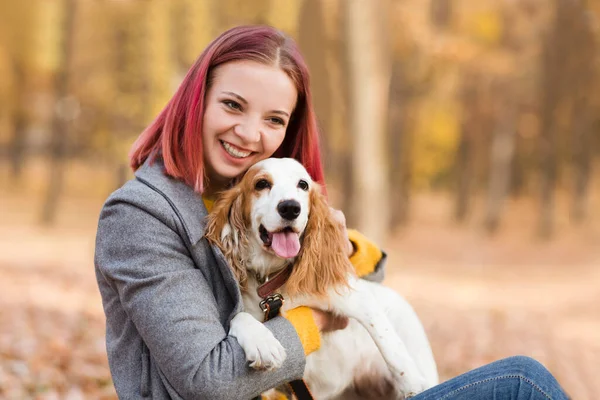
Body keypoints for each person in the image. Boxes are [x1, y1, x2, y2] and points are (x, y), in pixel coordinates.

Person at [95, 25, 569, 400]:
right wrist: (318, 320)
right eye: (233, 105)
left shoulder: (263, 194)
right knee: (522, 384)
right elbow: (208, 379)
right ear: (196, 101)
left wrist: (345, 248)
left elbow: (354, 284)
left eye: (274, 120)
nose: (249, 132)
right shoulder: (140, 217)